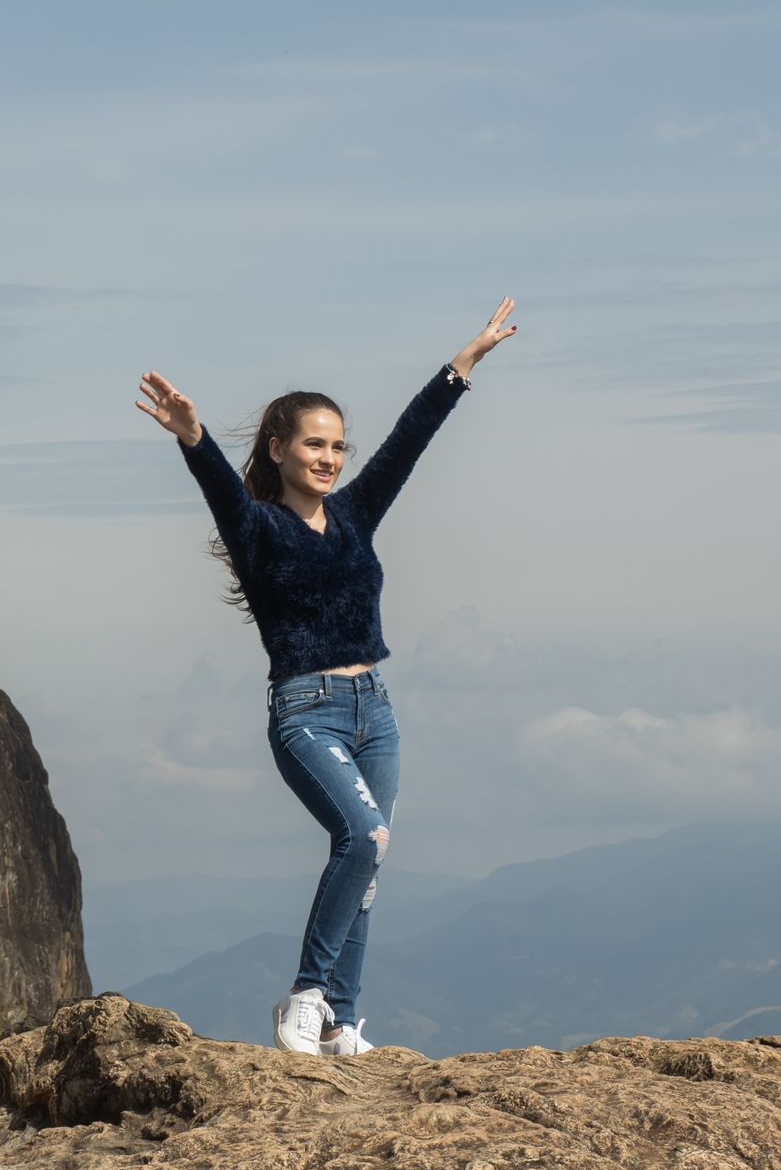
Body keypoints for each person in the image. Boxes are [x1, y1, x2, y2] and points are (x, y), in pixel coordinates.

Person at [137, 298, 518, 1057]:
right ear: (278, 449)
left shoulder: (353, 515)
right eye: (315, 444)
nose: (330, 458)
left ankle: (341, 1022)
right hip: (306, 711)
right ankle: (306, 996)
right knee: (364, 836)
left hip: (376, 710)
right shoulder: (258, 529)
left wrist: (462, 365)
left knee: (368, 862)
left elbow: (409, 441)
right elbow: (221, 490)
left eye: (339, 446)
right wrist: (193, 437)